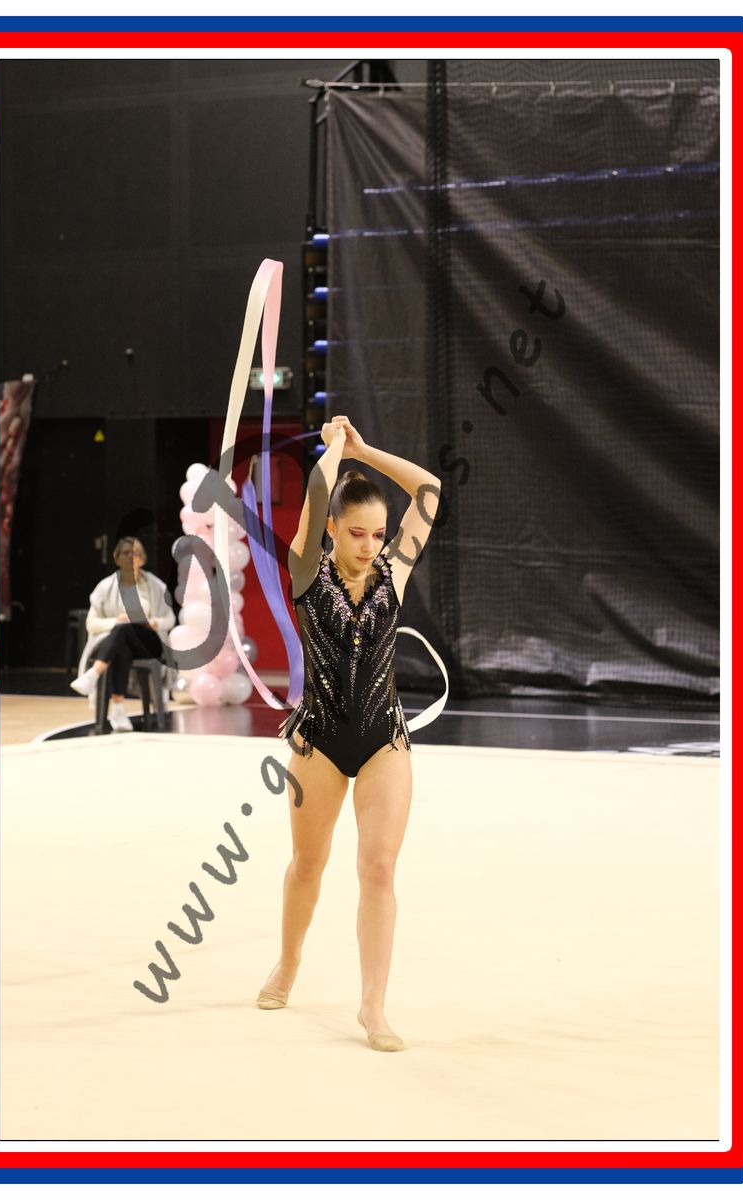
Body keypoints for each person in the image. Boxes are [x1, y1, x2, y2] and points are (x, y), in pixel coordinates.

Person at [257, 415, 441, 1051]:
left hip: (384, 736)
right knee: (309, 864)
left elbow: (429, 489)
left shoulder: (394, 571)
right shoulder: (306, 571)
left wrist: (365, 449)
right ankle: (288, 962)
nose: (369, 545)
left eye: (378, 534)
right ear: (331, 528)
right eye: (356, 532)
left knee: (379, 867)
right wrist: (335, 449)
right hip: (319, 741)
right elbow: (316, 494)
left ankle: (373, 1006)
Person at [70, 536, 176, 731]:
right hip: (119, 643)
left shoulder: (155, 585)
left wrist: (154, 622)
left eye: (135, 553)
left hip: (148, 642)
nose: (130, 557)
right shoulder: (105, 587)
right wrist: (115, 621)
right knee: (122, 640)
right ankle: (118, 710)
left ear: (142, 558)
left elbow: (170, 619)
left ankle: (94, 673)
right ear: (117, 557)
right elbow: (91, 623)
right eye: (126, 553)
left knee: (125, 629)